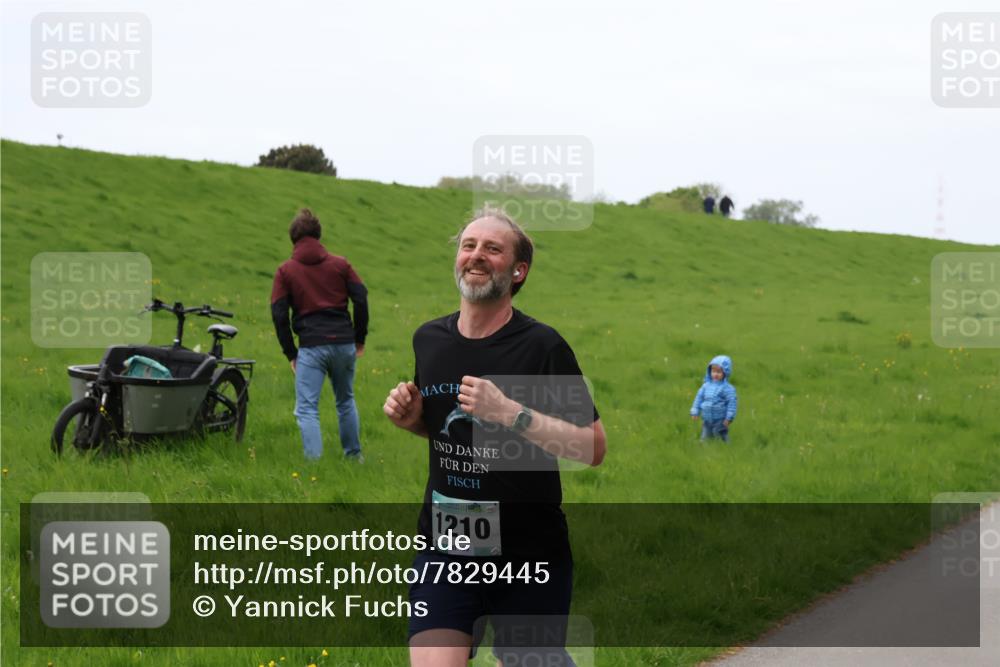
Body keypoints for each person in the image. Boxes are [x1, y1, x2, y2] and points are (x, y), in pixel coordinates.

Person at [383, 206, 606, 667]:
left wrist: (510, 412)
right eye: (469, 245)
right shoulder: (430, 340)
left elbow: (592, 447)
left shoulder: (542, 346)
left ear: (519, 270)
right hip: (446, 548)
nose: (476, 255)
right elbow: (450, 432)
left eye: (492, 248)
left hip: (529, 554)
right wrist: (414, 421)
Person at [271, 208, 368, 462]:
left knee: (306, 409)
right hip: (344, 343)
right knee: (345, 400)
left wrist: (291, 353)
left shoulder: (285, 271)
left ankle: (314, 465)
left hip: (311, 348)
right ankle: (354, 456)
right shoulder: (341, 264)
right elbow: (361, 298)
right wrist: (359, 338)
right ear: (318, 235)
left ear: (294, 238)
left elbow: (278, 313)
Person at [690, 355, 737, 443]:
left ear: (725, 372)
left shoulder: (727, 388)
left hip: (720, 419)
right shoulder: (705, 386)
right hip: (707, 418)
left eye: (719, 372)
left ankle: (727, 447)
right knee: (705, 437)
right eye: (713, 371)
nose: (715, 374)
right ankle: (704, 448)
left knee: (720, 435)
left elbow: (731, 403)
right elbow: (699, 398)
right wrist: (695, 411)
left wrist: (729, 418)